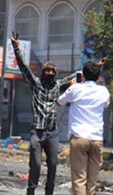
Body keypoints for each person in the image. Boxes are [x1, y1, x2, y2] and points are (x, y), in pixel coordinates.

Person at [11, 31, 77, 195]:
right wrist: (16, 48)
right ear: (43, 72)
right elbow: (23, 67)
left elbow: (79, 74)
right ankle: (31, 192)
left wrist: (97, 66)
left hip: (52, 132)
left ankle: (49, 192)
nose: (50, 74)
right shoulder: (36, 84)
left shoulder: (58, 85)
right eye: (47, 71)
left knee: (53, 164)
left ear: (55, 74)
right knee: (36, 164)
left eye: (53, 72)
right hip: (37, 131)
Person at [57, 61, 110, 195]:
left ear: (83, 76)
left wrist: (72, 86)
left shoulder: (75, 89)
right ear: (98, 77)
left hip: (79, 138)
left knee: (79, 179)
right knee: (92, 181)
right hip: (97, 139)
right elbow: (106, 104)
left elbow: (59, 101)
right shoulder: (103, 91)